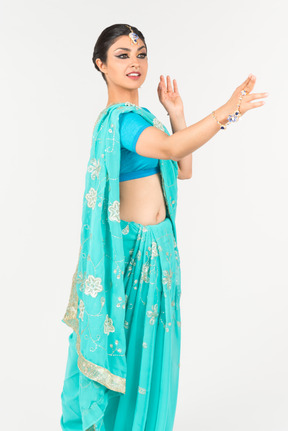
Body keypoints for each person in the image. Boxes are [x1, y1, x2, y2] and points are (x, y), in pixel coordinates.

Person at [60, 24, 268, 431]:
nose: (134, 63)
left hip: (160, 251)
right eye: (122, 55)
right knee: (130, 351)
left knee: (153, 353)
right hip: (133, 255)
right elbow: (174, 148)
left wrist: (176, 114)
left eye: (141, 54)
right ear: (100, 65)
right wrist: (228, 110)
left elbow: (182, 169)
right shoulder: (121, 123)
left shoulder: (145, 119)